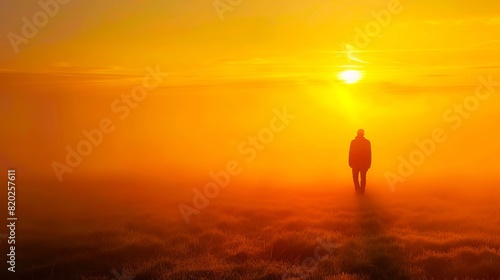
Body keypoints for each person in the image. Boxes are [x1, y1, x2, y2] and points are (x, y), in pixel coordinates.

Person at [349, 129, 371, 194]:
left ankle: (359, 190)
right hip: (360, 163)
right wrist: (368, 164)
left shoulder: (354, 142)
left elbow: (369, 153)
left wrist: (350, 162)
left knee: (357, 177)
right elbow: (369, 154)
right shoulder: (366, 142)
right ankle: (360, 190)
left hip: (358, 163)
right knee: (361, 177)